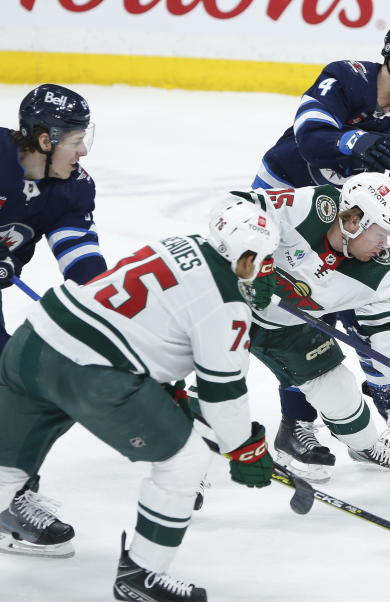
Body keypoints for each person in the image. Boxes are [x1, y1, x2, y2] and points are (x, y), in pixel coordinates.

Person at [0, 201, 279, 601]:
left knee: (5, 470)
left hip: (34, 341)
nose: (264, 269)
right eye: (261, 259)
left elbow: (147, 323)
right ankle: (141, 576)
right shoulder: (228, 302)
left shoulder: (181, 244)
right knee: (185, 461)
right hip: (90, 373)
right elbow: (222, 392)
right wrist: (244, 449)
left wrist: (159, 387)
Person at [251, 15, 390, 471]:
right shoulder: (345, 76)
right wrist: (353, 141)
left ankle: (387, 389)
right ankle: (296, 424)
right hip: (290, 210)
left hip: (351, 219)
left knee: (367, 302)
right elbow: (310, 139)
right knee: (298, 315)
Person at [234, 172, 390, 481]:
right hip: (225, 301)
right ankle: (184, 471)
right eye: (381, 234)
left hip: (286, 327)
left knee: (339, 391)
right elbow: (236, 208)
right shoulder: (312, 206)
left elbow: (387, 328)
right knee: (212, 388)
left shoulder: (379, 270)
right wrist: (253, 261)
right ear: (354, 222)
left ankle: (364, 447)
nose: (384, 245)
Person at [0, 84, 108, 559]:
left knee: (17, 381)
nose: (82, 150)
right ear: (45, 140)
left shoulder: (72, 186)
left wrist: (107, 309)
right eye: (75, 140)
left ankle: (10, 496)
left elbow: (81, 258)